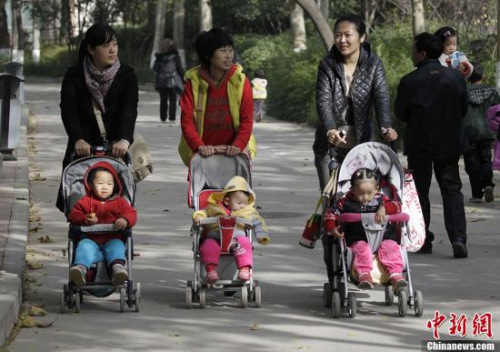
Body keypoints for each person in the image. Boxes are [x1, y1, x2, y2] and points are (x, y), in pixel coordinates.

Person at [313, 14, 397, 284]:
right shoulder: (328, 65)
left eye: (348, 34)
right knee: (333, 207)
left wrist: (386, 126)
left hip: (361, 150)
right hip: (330, 149)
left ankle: (370, 264)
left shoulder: (374, 65)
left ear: (361, 37)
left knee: (363, 203)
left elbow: (382, 96)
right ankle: (335, 274)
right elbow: (323, 101)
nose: (342, 39)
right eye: (338, 34)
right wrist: (329, 130)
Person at [395, 32, 469, 258]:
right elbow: (463, 109)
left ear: (422, 53)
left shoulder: (410, 81)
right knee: (452, 189)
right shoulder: (455, 78)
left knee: (420, 192)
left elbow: (401, 113)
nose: (412, 54)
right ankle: (458, 237)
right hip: (449, 143)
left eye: (413, 50)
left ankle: (423, 238)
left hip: (420, 144)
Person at [57, 23, 138, 212]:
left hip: (115, 149)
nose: (112, 50)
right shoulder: (75, 75)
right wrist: (77, 139)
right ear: (91, 49)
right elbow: (69, 111)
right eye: (105, 46)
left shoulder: (127, 74)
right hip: (82, 149)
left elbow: (129, 109)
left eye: (115, 44)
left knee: (117, 203)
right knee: (78, 203)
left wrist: (124, 140)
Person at [178, 28, 256, 167]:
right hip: (203, 154)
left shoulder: (240, 82)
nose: (228, 56)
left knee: (238, 189)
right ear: (208, 55)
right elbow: (187, 122)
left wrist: (238, 145)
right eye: (223, 51)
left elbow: (247, 120)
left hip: (235, 153)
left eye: (230, 50)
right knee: (203, 189)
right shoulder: (193, 83)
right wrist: (199, 146)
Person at [324, 168, 406, 291]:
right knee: (362, 249)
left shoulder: (381, 200)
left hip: (384, 237)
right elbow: (331, 214)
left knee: (391, 247)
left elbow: (397, 206)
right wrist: (332, 227)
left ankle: (395, 274)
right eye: (360, 193)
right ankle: (364, 275)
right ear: (352, 189)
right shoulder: (345, 202)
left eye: (369, 193)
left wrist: (384, 208)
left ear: (376, 189)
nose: (365, 197)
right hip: (358, 238)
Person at [68, 161, 137, 287]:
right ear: (91, 185)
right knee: (84, 247)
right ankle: (80, 270)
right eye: (100, 183)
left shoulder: (120, 202)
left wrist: (125, 219)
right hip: (90, 239)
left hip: (113, 237)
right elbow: (73, 216)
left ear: (115, 186)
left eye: (109, 184)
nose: (105, 187)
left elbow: (131, 214)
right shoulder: (85, 201)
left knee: (117, 246)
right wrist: (84, 218)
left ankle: (117, 270)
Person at [192, 176, 270, 283]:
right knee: (208, 246)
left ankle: (244, 269)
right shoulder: (214, 207)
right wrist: (199, 216)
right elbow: (204, 212)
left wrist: (262, 235)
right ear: (227, 201)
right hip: (215, 237)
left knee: (245, 243)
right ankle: (211, 271)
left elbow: (258, 222)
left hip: (236, 238)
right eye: (239, 203)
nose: (243, 206)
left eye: (245, 203)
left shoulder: (248, 212)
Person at [462, 62, 499, 203]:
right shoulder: (491, 91)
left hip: (469, 132)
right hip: (487, 132)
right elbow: (498, 110)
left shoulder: (463, 91)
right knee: (485, 160)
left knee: (472, 163)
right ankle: (488, 184)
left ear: (467, 76)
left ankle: (477, 194)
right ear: (483, 76)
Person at [153, 38, 184, 123]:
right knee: (173, 100)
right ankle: (172, 117)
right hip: (172, 81)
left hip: (161, 80)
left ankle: (163, 117)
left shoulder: (158, 57)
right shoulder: (175, 57)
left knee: (163, 100)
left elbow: (155, 68)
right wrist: (183, 80)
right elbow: (180, 69)